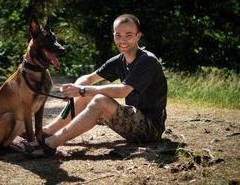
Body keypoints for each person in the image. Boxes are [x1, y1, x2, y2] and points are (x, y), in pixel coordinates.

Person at [13, 14, 167, 157]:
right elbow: (89, 78)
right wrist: (75, 89)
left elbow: (123, 91)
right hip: (133, 119)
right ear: (113, 35)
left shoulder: (147, 61)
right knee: (86, 94)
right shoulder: (120, 60)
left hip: (150, 128)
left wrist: (81, 90)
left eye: (128, 35)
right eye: (118, 35)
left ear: (138, 36)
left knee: (98, 99)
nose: (123, 40)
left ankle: (48, 145)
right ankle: (45, 133)